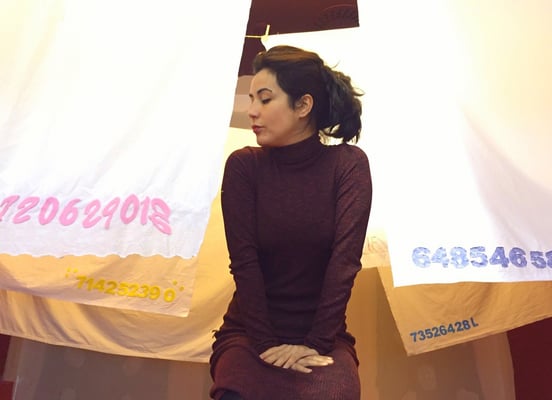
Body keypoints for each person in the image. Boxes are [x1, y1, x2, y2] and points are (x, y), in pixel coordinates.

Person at [209, 45, 373, 400]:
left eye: (265, 99)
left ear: (303, 106)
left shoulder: (348, 165)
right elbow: (244, 263)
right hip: (249, 337)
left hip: (324, 338)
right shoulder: (244, 167)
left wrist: (314, 344)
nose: (252, 111)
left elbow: (344, 262)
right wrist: (267, 345)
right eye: (251, 99)